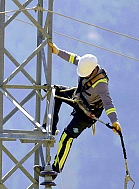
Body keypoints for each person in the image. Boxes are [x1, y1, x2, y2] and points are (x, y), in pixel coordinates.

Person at [34, 43, 122, 179]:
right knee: (55, 92)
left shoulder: (101, 84)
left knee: (67, 136)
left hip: (87, 114)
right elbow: (73, 58)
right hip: (79, 98)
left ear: (93, 71)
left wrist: (115, 122)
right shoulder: (85, 64)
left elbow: (108, 103)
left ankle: (55, 170)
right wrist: (57, 51)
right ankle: (50, 128)